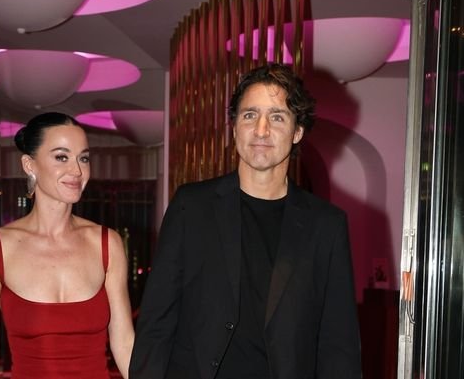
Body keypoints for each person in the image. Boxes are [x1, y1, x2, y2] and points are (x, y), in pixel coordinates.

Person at [129, 63, 362, 379]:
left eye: (277, 117)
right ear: (235, 126)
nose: (261, 130)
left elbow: (339, 343)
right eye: (250, 115)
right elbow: (156, 320)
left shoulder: (326, 225)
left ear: (297, 132)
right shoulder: (192, 206)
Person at [0, 112, 135, 379]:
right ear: (29, 165)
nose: (77, 171)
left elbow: (125, 343)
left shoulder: (106, 243)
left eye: (83, 158)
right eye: (61, 157)